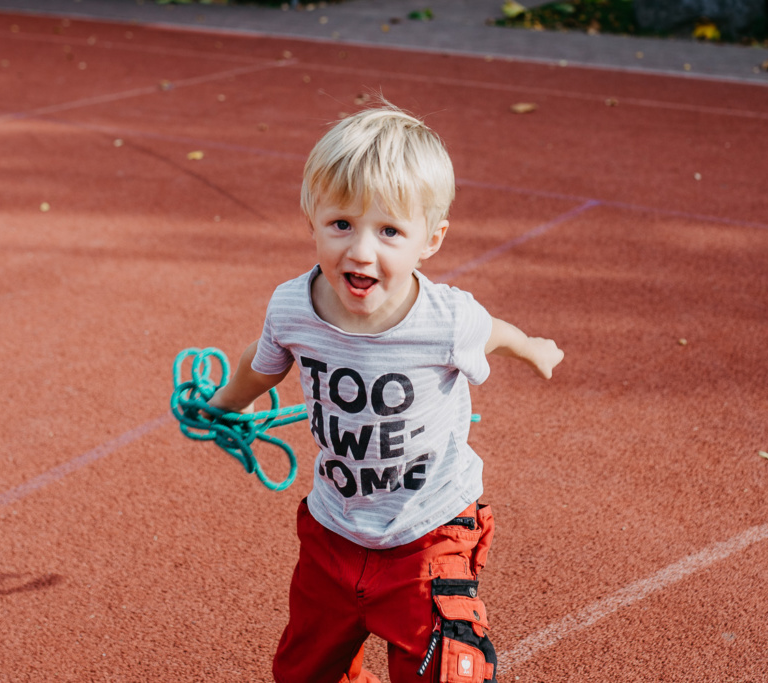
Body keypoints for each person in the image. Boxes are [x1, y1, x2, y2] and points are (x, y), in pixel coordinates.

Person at [207, 103, 563, 683]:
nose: (362, 250)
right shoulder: (293, 306)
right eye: (341, 224)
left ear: (432, 239)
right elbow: (263, 361)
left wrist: (533, 347)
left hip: (429, 531)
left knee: (445, 671)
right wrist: (230, 402)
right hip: (333, 528)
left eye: (390, 231)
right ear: (312, 220)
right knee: (303, 672)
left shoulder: (445, 318)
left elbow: (494, 331)